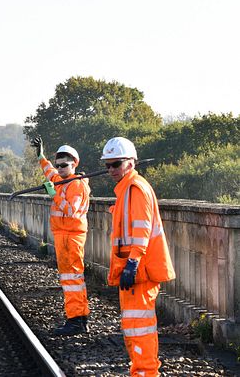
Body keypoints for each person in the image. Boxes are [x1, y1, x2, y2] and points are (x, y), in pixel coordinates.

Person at [101, 137, 175, 377]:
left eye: (116, 164)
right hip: (133, 271)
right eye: (107, 165)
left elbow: (141, 230)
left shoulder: (135, 188)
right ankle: (141, 371)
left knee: (139, 328)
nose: (111, 169)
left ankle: (146, 373)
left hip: (139, 272)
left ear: (130, 163)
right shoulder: (126, 189)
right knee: (134, 328)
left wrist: (132, 263)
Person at [32, 137, 91, 336]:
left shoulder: (76, 185)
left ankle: (75, 320)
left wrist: (54, 196)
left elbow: (71, 210)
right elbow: (49, 171)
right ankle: (81, 318)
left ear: (74, 163)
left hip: (71, 237)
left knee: (71, 279)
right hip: (63, 235)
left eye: (64, 165)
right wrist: (40, 155)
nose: (59, 168)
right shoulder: (60, 180)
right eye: (58, 165)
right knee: (74, 278)